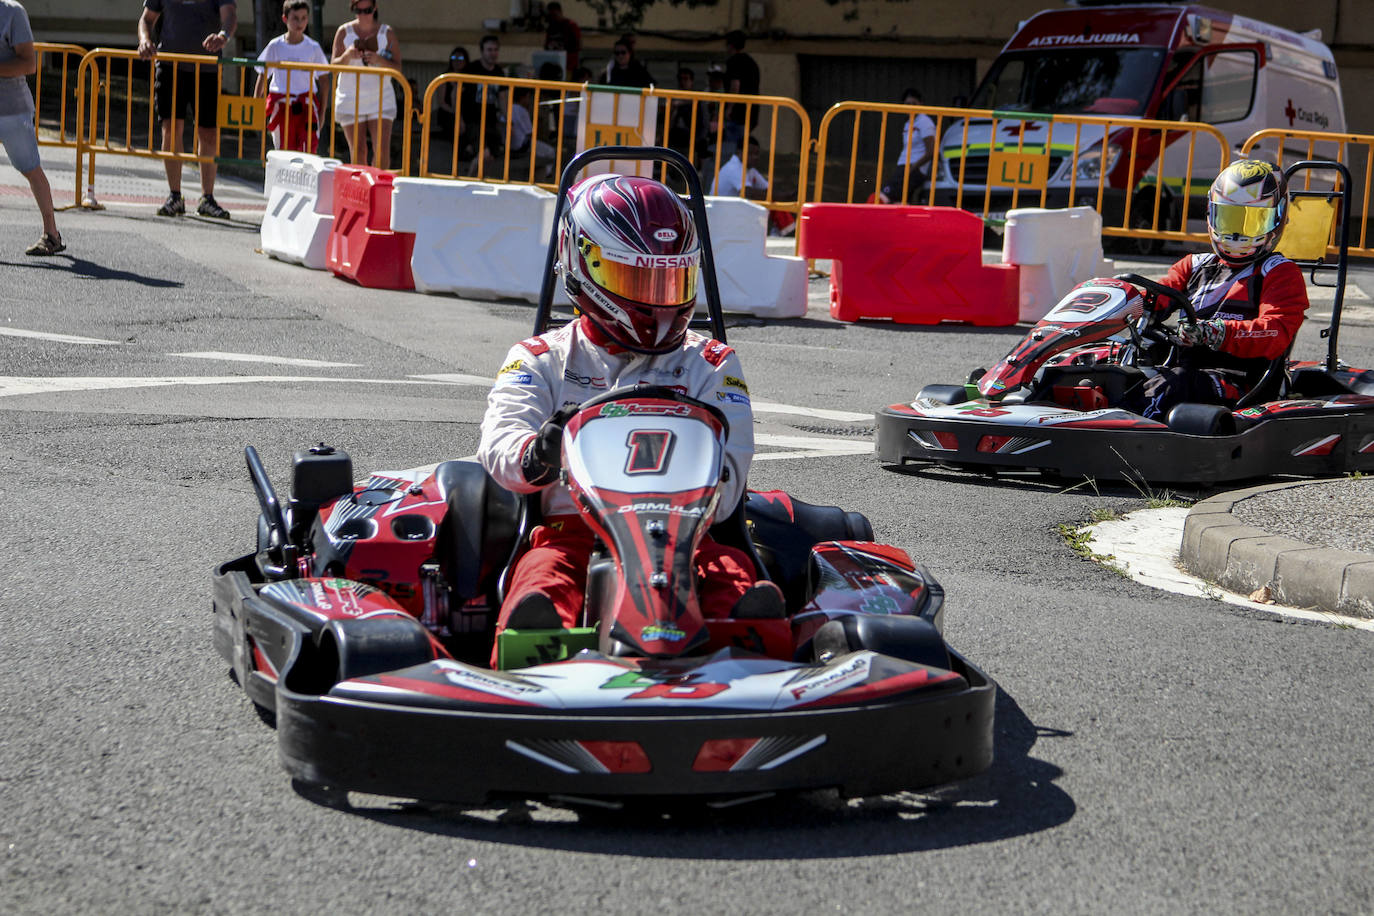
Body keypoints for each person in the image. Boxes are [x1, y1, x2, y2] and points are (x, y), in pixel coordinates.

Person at [477, 174, 784, 662]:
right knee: (542, 580)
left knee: (730, 572)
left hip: (688, 535)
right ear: (585, 266)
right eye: (638, 280)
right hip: (573, 532)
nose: (658, 300)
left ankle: (754, 664)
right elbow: (499, 446)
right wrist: (540, 453)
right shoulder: (541, 358)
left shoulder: (711, 362)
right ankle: (530, 671)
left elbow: (728, 487)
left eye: (670, 280)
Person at [1139, 159, 1309, 420]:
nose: (1237, 233)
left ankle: (1119, 441)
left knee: (1174, 385)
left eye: (1251, 221)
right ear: (1212, 214)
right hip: (1188, 373)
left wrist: (1215, 333)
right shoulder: (1194, 266)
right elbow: (1155, 296)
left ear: (1276, 219)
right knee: (1112, 370)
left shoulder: (1280, 273)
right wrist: (1124, 302)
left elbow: (1275, 333)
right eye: (1229, 218)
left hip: (1243, 383)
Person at [138, 0, 236, 219]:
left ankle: (207, 198)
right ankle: (175, 196)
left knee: (208, 132)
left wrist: (223, 36)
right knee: (171, 128)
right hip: (170, 64)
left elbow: (229, 15)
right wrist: (145, 40)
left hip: (207, 67)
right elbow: (146, 19)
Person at [0, 0, 62, 254]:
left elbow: (29, 64)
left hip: (12, 109)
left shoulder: (12, 12)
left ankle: (52, 234)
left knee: (30, 169)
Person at [330, 0, 401, 170]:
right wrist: (347, 56)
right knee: (358, 151)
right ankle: (362, 193)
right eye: (358, 10)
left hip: (381, 97)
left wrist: (379, 60)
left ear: (375, 9)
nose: (363, 15)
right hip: (350, 97)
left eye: (367, 10)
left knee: (382, 152)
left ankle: (380, 190)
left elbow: (398, 67)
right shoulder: (344, 32)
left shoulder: (387, 33)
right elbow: (332, 67)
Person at [253, 0, 328, 154]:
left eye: (304, 18)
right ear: (285, 19)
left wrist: (322, 113)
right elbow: (263, 76)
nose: (300, 22)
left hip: (307, 106)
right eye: (295, 18)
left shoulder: (313, 47)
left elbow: (324, 82)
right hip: (281, 105)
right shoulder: (275, 46)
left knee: (308, 152)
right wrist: (256, 107)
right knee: (283, 153)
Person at [878, 87, 935, 204]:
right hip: (903, 166)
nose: (911, 106)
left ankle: (866, 221)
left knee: (881, 197)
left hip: (914, 168)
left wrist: (913, 167)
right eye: (908, 103)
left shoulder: (924, 121)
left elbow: (931, 151)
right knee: (900, 202)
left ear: (921, 104)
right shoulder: (908, 123)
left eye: (914, 103)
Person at [461, 34, 505, 169]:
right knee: (483, 153)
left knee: (491, 155)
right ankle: (469, 179)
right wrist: (459, 119)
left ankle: (474, 178)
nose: (493, 53)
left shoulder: (499, 72)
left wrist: (509, 121)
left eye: (495, 50)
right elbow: (455, 94)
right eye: (489, 50)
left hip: (491, 121)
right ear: (482, 51)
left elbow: (503, 98)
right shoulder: (471, 69)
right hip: (473, 120)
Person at [722, 29, 759, 154]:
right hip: (750, 112)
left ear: (730, 45)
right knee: (741, 145)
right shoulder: (752, 62)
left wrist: (730, 108)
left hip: (738, 114)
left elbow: (735, 85)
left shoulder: (734, 61)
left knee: (733, 148)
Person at [431, 45, 466, 146]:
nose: (457, 61)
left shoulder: (469, 76)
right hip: (449, 111)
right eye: (454, 58)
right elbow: (442, 103)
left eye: (460, 58)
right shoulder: (445, 77)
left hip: (465, 112)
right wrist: (456, 114)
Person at [543, 2, 581, 72]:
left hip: (569, 66)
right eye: (550, 15)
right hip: (553, 66)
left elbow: (577, 46)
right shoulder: (551, 27)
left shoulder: (571, 26)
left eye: (554, 15)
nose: (553, 18)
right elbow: (547, 46)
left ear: (560, 12)